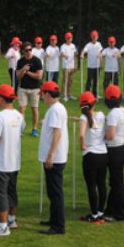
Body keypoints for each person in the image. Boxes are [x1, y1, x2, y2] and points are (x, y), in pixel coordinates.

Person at [0, 84, 25, 237]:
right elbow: (20, 131)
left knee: (0, 194)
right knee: (11, 192)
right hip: (14, 162)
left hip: (1, 163)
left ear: (1, 99)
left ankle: (3, 227)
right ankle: (11, 220)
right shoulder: (19, 116)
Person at [38, 81, 69, 235]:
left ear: (48, 94)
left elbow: (57, 133)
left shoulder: (55, 110)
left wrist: (50, 155)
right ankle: (54, 219)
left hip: (54, 158)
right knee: (52, 191)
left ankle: (58, 225)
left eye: (43, 94)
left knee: (56, 192)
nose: (42, 97)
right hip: (55, 156)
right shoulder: (57, 108)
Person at [78, 91, 108, 224]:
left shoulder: (83, 118)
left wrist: (82, 145)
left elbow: (81, 135)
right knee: (101, 183)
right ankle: (101, 212)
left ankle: (94, 214)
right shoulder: (101, 115)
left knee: (91, 185)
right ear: (94, 103)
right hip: (103, 153)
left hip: (90, 154)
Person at [102, 84, 124, 222]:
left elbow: (111, 135)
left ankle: (118, 213)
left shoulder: (113, 114)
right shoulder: (123, 110)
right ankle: (110, 208)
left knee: (116, 182)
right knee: (115, 181)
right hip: (122, 147)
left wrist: (101, 136)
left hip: (114, 149)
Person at [16, 42, 44, 137]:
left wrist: (27, 72)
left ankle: (34, 129)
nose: (28, 52)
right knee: (21, 109)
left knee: (34, 109)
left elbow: (39, 76)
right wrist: (23, 69)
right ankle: (20, 129)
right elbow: (18, 76)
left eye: (30, 50)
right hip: (23, 88)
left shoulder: (37, 61)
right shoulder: (20, 61)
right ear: (23, 51)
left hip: (35, 89)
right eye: (26, 50)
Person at [81, 30, 103, 96]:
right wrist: (82, 54)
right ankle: (87, 94)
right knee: (89, 81)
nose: (94, 38)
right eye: (93, 37)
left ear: (97, 37)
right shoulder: (88, 45)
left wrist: (101, 63)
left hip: (97, 66)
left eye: (95, 37)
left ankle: (95, 94)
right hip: (90, 66)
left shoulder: (99, 44)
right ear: (91, 37)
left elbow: (101, 53)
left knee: (96, 81)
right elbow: (84, 50)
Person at [60, 32, 78, 101]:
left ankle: (69, 94)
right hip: (66, 66)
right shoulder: (63, 46)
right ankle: (63, 94)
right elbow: (61, 53)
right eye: (67, 38)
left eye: (70, 38)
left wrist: (75, 65)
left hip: (71, 66)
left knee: (70, 81)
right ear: (65, 38)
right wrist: (65, 55)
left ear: (72, 38)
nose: (69, 39)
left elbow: (75, 55)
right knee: (65, 80)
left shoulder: (73, 46)